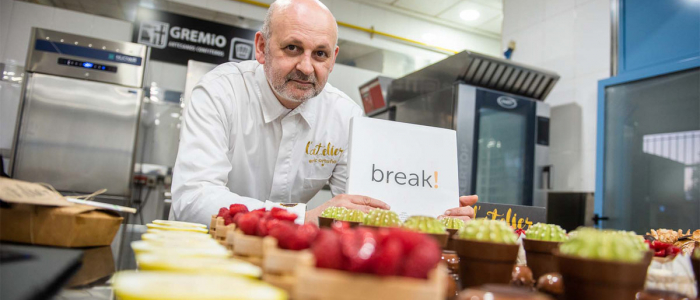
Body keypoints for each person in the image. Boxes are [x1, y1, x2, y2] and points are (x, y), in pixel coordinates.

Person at [170, 0, 478, 226]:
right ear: (262, 47)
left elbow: (367, 208)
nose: (306, 68)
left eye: (320, 54)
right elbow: (193, 199)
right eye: (292, 48)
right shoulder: (220, 93)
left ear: (333, 59)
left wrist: (436, 216)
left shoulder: (345, 118)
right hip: (205, 253)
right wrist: (303, 217)